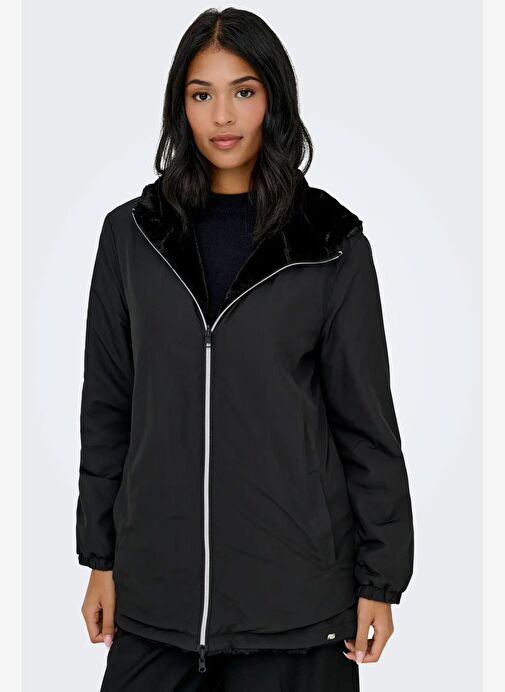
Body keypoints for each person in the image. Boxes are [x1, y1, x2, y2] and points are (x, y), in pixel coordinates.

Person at [76, 7, 414, 691]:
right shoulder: (131, 238)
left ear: (273, 100)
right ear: (180, 106)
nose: (223, 116)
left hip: (298, 606)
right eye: (202, 94)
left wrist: (380, 581)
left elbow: (365, 423)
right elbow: (108, 408)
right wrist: (99, 558)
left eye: (244, 90)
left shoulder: (329, 244)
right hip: (157, 600)